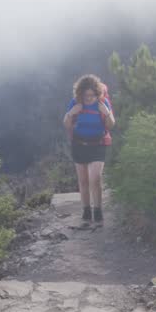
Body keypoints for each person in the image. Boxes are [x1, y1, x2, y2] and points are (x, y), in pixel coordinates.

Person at [62, 74, 115, 224]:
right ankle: (86, 210)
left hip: (98, 145)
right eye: (86, 95)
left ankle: (98, 210)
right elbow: (67, 124)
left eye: (92, 95)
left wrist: (107, 112)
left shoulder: (102, 103)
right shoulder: (75, 103)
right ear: (81, 94)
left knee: (95, 178)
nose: (89, 98)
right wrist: (71, 113)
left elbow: (111, 125)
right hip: (79, 144)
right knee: (83, 180)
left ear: (97, 94)